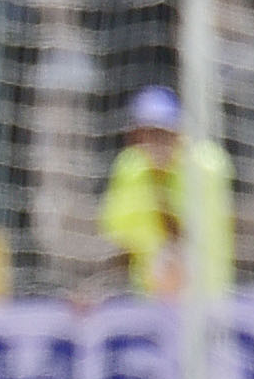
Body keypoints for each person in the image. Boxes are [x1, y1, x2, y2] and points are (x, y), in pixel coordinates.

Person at [95, 84, 233, 302]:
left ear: (179, 133)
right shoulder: (129, 167)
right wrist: (97, 288)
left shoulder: (206, 166)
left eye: (162, 133)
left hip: (205, 298)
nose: (153, 143)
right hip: (148, 301)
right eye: (145, 134)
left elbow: (189, 238)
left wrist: (158, 187)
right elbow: (120, 243)